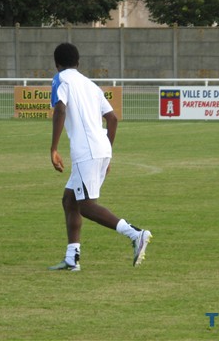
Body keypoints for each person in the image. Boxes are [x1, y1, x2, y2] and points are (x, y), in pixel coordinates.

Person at [49, 42, 152, 271]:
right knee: (70, 201)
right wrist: (108, 153)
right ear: (79, 62)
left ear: (57, 64)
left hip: (87, 152)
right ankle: (71, 258)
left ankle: (136, 234)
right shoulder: (91, 85)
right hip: (100, 148)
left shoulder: (60, 80)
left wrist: (53, 148)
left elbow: (60, 110)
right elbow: (113, 119)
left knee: (85, 205)